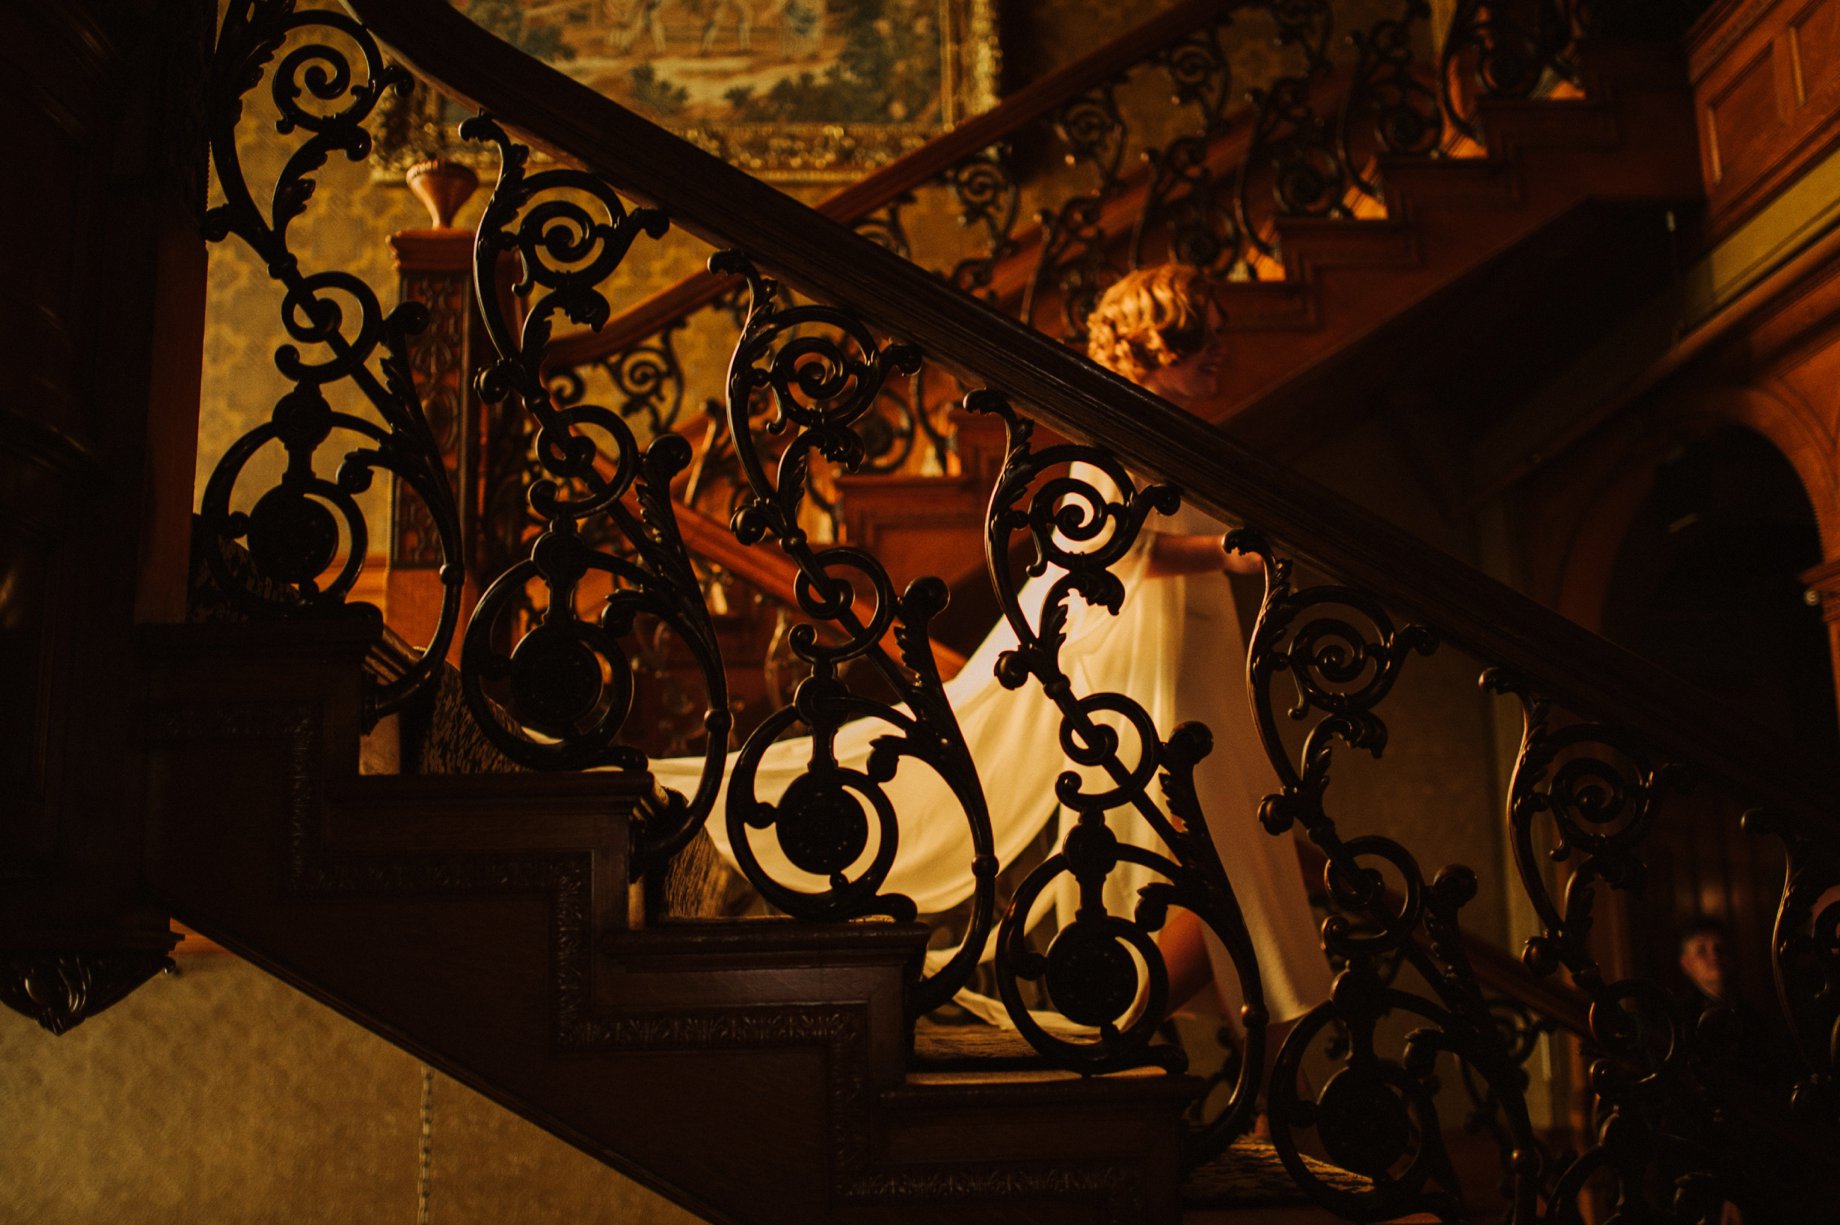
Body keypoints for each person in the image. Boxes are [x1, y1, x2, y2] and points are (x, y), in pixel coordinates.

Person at [649, 264, 1330, 1032]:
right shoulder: (1119, 435)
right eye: (1194, 336)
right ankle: (1124, 1029)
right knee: (1215, 860)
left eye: (1216, 334)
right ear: (1145, 347)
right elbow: (1109, 549)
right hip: (1147, 659)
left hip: (1183, 652)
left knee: (1221, 860)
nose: (1216, 352)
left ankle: (1157, 1035)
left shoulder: (1160, 432)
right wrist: (1224, 551)